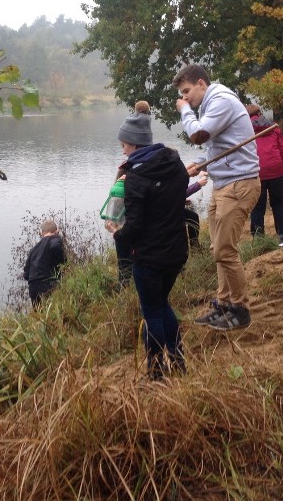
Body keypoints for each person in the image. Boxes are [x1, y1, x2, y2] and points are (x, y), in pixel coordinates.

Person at [104, 103, 189, 379]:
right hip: (176, 252)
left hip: (150, 258)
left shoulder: (137, 178)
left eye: (124, 145)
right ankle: (178, 362)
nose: (122, 150)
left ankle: (156, 370)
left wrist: (117, 232)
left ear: (134, 144)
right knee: (161, 304)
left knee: (152, 310)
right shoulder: (175, 164)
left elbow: (135, 226)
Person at [174, 64, 259, 331]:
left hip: (238, 185)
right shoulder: (209, 105)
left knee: (225, 249)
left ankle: (240, 309)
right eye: (182, 95)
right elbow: (215, 146)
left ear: (201, 83)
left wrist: (184, 111)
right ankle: (224, 303)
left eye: (187, 92)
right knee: (217, 249)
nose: (186, 98)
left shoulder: (220, 100)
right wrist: (199, 164)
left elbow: (198, 135)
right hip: (223, 184)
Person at [245, 104, 283, 242]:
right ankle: (282, 235)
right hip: (276, 170)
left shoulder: (245, 130)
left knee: (257, 207)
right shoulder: (273, 127)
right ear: (260, 113)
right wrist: (277, 162)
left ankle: (258, 238)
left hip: (257, 171)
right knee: (278, 204)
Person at [23, 219, 67, 307]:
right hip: (48, 283)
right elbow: (55, 247)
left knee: (39, 316)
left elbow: (26, 274)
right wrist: (63, 261)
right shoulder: (55, 239)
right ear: (56, 231)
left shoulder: (33, 249)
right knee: (54, 311)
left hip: (33, 287)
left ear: (41, 233)